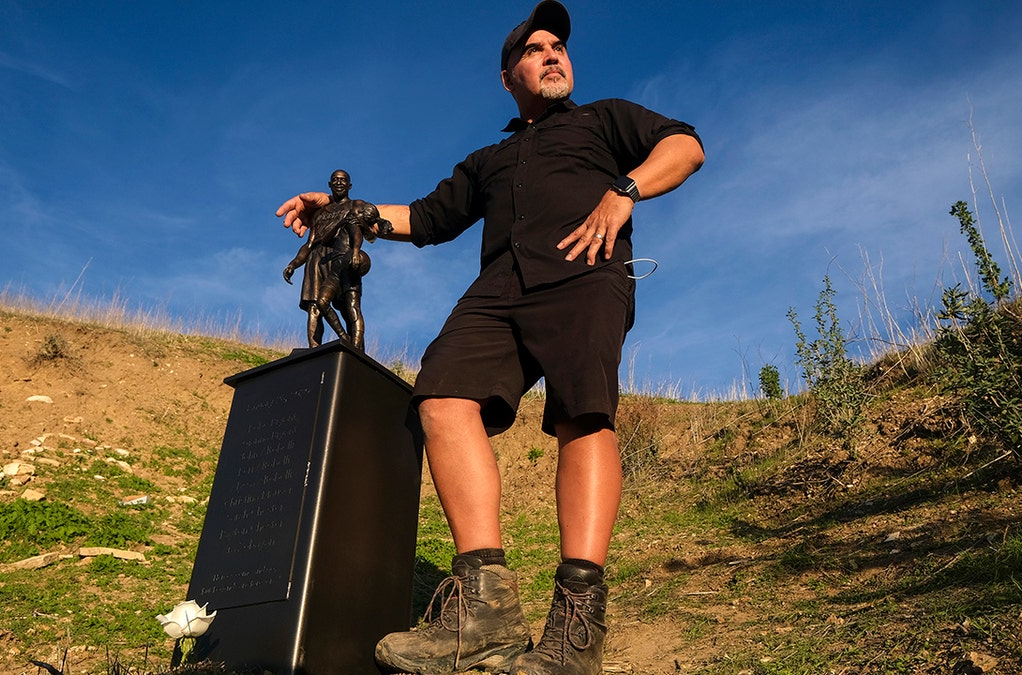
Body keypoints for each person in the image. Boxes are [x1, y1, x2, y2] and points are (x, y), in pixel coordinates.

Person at [276, 3, 703, 672]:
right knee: (440, 394)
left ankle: (577, 629)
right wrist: (340, 212)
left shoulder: (606, 119)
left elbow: (685, 146)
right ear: (509, 77)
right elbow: (421, 217)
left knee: (581, 414)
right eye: (536, 49)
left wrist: (624, 190)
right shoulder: (489, 159)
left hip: (585, 270)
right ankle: (486, 611)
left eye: (559, 45)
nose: (554, 53)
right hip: (500, 288)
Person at [282, 169, 388, 350]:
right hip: (317, 260)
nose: (339, 183)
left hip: (343, 256)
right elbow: (309, 243)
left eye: (343, 180)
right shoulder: (319, 213)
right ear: (330, 185)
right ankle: (314, 351)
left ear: (350, 185)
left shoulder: (356, 205)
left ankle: (357, 353)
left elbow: (373, 229)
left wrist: (379, 225)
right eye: (335, 180)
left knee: (349, 308)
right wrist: (294, 264)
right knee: (314, 306)